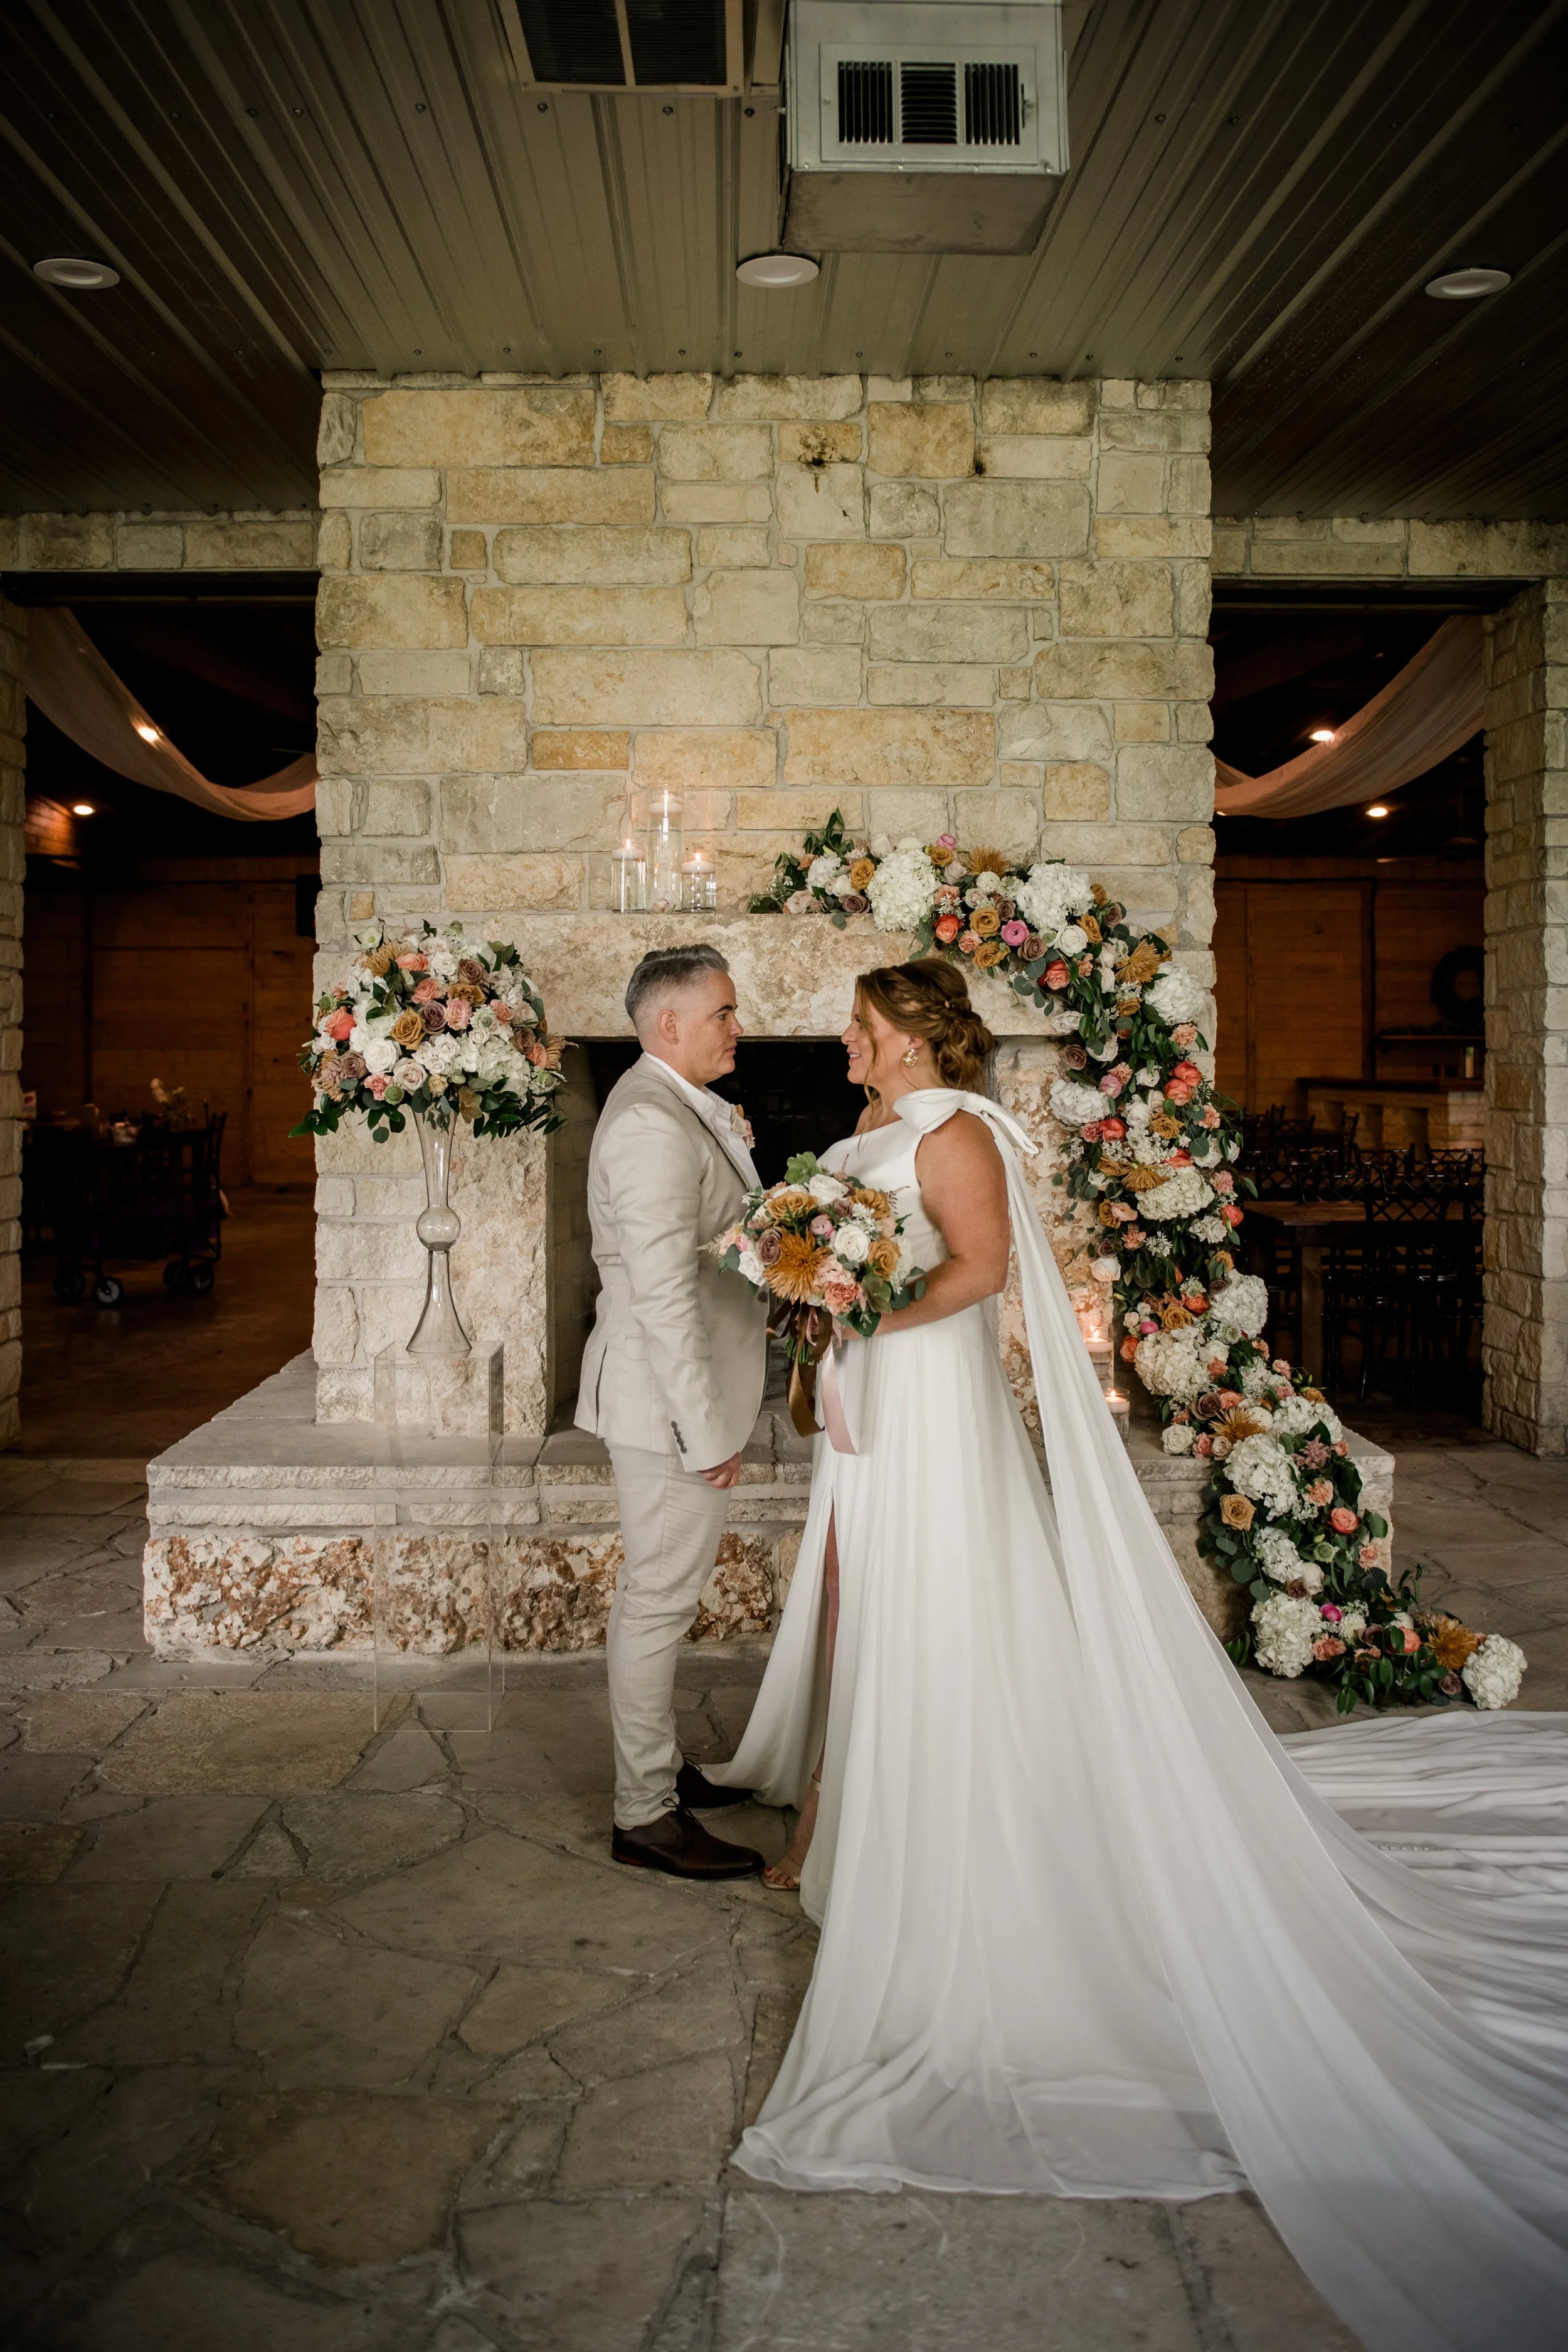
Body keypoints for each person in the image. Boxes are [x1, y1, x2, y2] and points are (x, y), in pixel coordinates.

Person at [708, 957, 1568, 2352]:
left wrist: (863, 1309)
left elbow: (979, 1272)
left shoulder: (956, 1132)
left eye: (864, 1025)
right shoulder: (864, 1137)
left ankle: (927, 1818)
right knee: (863, 1594)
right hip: (873, 1397)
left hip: (926, 1404)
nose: (847, 1040)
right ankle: (833, 1808)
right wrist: (815, 1302)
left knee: (932, 1599)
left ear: (914, 1038)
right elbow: (859, 1255)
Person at [576, 944, 767, 1880]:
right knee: (658, 1602)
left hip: (679, 1395)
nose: (739, 1026)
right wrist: (704, 1432)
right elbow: (660, 1298)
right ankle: (643, 1811)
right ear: (669, 1025)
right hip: (665, 1406)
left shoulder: (678, 1104)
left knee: (663, 1596)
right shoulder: (652, 1123)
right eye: (725, 1012)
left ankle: (659, 1773)